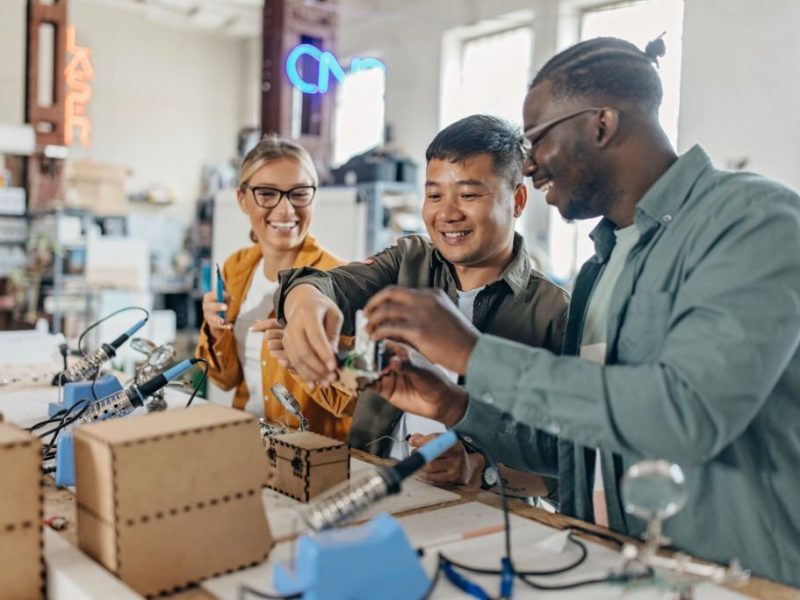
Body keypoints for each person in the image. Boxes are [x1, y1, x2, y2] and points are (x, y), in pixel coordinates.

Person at [354, 37, 800, 586]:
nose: (531, 165)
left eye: (537, 139)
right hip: (615, 566)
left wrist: (473, 352)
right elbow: (575, 444)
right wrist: (454, 404)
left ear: (602, 124)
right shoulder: (602, 266)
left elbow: (686, 416)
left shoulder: (752, 221)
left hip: (738, 582)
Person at [270, 115, 568, 496]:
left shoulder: (553, 313)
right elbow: (329, 283)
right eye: (434, 194)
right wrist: (305, 301)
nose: (447, 213)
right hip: (376, 484)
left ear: (518, 199)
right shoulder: (407, 262)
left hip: (484, 516)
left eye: (469, 194)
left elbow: (569, 469)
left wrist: (482, 470)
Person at [195, 134, 351, 441]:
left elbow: (351, 401)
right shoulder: (235, 268)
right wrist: (215, 330)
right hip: (246, 443)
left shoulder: (340, 279)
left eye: (299, 194)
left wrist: (305, 361)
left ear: (314, 197)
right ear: (242, 199)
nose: (285, 210)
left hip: (310, 455)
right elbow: (223, 380)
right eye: (267, 194)